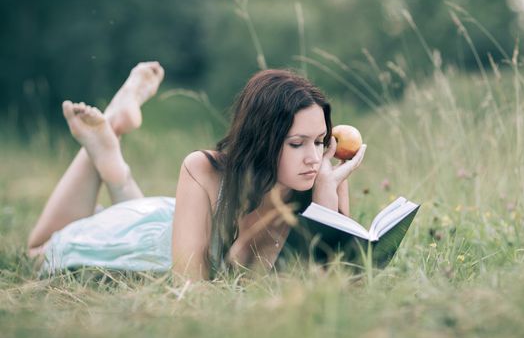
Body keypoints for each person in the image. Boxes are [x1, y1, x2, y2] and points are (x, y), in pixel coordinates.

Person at [27, 62, 367, 281]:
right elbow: (192, 286)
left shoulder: (321, 180)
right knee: (38, 252)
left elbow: (341, 282)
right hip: (144, 238)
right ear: (264, 139)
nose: (313, 157)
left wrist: (327, 203)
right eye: (297, 144)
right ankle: (109, 133)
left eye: (320, 141)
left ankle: (110, 154)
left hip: (172, 220)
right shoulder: (203, 169)